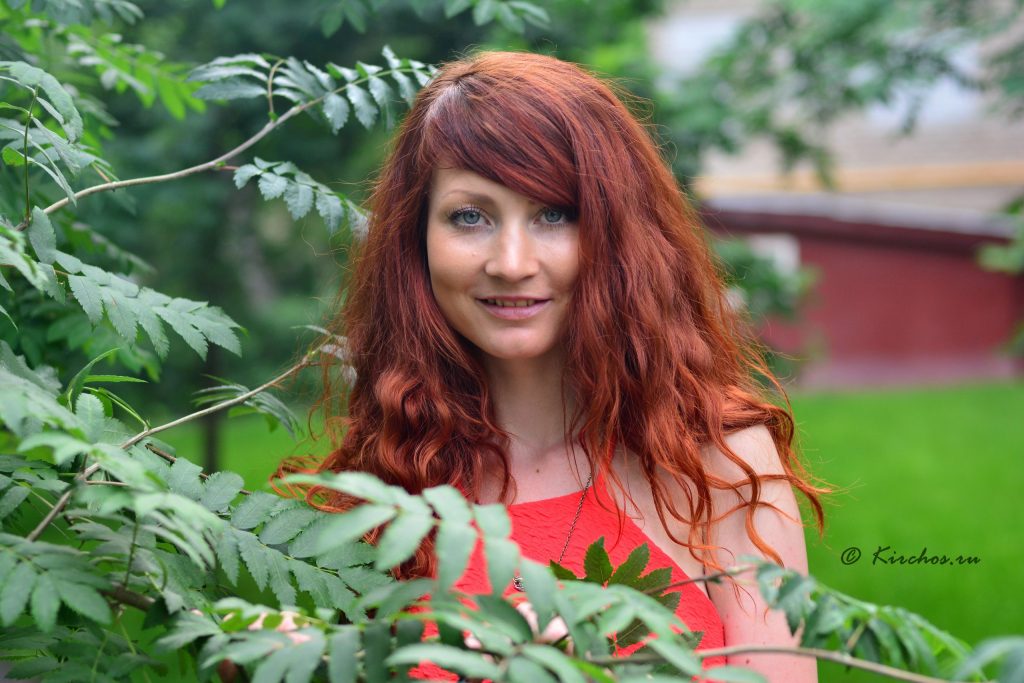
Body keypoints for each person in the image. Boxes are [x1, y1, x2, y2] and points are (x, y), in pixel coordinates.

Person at [291, 50, 828, 682]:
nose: (511, 263)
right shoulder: (381, 479)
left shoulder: (721, 466)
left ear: (619, 235)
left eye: (554, 213)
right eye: (470, 216)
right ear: (417, 240)